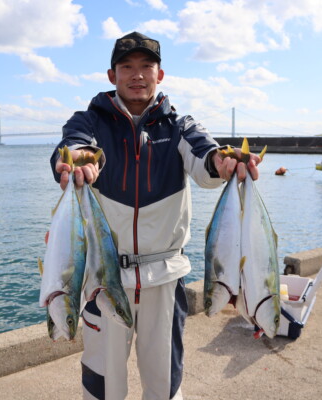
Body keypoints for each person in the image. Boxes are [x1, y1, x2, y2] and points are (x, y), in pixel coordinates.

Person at [50, 31, 261, 400]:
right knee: (102, 387)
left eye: (146, 66)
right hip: (103, 278)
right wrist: (77, 158)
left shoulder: (180, 125)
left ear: (159, 75)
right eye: (127, 67)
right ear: (111, 75)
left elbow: (205, 156)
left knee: (165, 387)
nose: (137, 75)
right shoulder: (89, 122)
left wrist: (222, 161)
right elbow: (71, 146)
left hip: (164, 279)